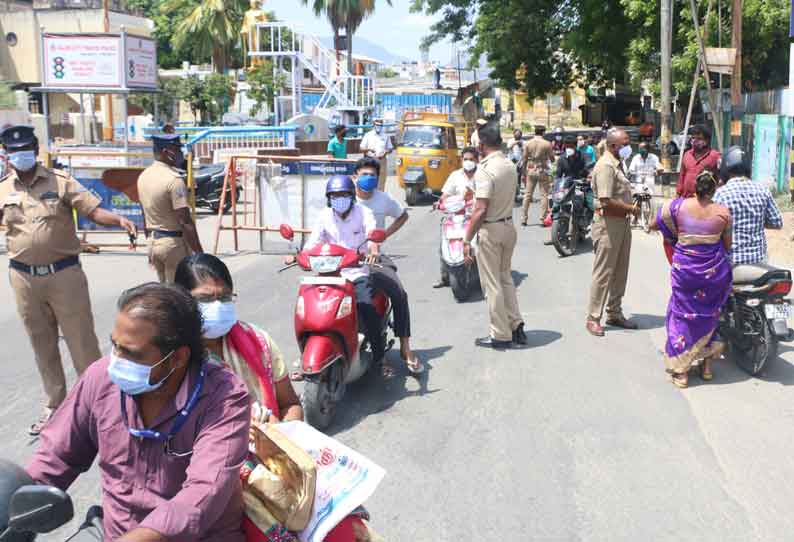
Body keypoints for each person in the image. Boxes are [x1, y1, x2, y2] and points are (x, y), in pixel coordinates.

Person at [26, 283, 251, 541]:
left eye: (131, 353)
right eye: (115, 346)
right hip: (114, 532)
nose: (117, 360)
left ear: (177, 358)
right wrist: (17, 503)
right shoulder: (100, 378)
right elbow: (56, 456)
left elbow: (202, 494)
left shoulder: (225, 398)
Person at [0, 125, 138, 435]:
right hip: (23, 279)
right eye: (14, 151)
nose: (20, 156)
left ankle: (100, 408)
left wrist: (118, 219)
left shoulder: (60, 183)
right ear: (6, 156)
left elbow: (93, 210)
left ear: (35, 150)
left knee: (82, 344)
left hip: (64, 275)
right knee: (42, 345)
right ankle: (55, 407)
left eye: (25, 150)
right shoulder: (3, 188)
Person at [174, 253, 303, 419]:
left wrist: (280, 436)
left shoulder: (259, 341)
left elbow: (290, 404)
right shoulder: (168, 356)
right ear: (182, 299)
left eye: (225, 297)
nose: (218, 306)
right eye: (205, 299)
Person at [288, 175, 385, 363]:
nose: (339, 199)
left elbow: (373, 236)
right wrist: (298, 256)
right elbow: (313, 243)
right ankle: (305, 357)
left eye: (343, 195)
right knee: (306, 310)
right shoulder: (324, 216)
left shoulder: (364, 213)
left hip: (356, 273)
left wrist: (373, 250)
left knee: (366, 307)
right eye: (334, 196)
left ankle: (379, 357)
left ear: (351, 196)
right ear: (329, 198)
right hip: (328, 275)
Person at [650, 171, 732, 388]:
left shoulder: (678, 207)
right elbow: (727, 246)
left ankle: (681, 372)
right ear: (714, 190)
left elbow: (657, 221)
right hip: (713, 273)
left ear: (695, 188)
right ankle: (706, 369)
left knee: (681, 316)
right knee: (710, 315)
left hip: (685, 271)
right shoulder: (723, 213)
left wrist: (674, 237)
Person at [353, 157, 425, 374]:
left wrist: (384, 236)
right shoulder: (345, 199)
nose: (368, 179)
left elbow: (402, 216)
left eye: (373, 176)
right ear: (354, 177)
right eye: (364, 174)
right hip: (342, 260)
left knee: (399, 293)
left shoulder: (383, 199)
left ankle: (405, 347)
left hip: (373, 258)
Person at [464, 123, 526, 349]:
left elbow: (480, 208)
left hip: (490, 229)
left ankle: (500, 334)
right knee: (505, 278)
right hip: (508, 226)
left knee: (492, 285)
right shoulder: (509, 164)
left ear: (481, 145)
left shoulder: (485, 170)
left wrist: (466, 238)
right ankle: (516, 324)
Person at [586, 128, 640, 337]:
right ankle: (593, 317)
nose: (628, 147)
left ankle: (614, 312)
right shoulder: (606, 166)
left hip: (621, 223)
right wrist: (631, 209)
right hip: (608, 224)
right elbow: (606, 201)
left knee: (620, 271)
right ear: (613, 145)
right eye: (625, 143)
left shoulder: (618, 164)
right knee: (603, 273)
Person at [137, 133, 203, 283]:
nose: (181, 154)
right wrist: (200, 254)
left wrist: (150, 246)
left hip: (154, 243)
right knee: (178, 295)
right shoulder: (174, 180)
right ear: (168, 153)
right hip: (173, 246)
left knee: (165, 293)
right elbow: (184, 221)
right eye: (178, 150)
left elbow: (144, 214)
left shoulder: (144, 176)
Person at [714, 146, 783, 280]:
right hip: (760, 263)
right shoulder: (763, 190)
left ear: (725, 169)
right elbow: (777, 222)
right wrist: (757, 218)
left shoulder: (721, 194)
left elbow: (711, 226)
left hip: (731, 263)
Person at [521, 124, 554, 226]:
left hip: (530, 169)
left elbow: (524, 159)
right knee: (544, 195)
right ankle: (542, 219)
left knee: (527, 195)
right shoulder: (547, 144)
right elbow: (552, 159)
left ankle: (524, 218)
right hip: (542, 169)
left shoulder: (528, 143)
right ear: (543, 132)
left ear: (535, 132)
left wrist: (523, 173)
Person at [677, 124, 721, 198]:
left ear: (707, 140)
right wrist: (678, 193)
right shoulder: (687, 155)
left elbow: (720, 178)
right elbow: (682, 175)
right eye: (693, 138)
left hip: (705, 201)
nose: (695, 140)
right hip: (686, 199)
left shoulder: (715, 156)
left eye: (699, 138)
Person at [359, 119, 393, 191]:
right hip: (370, 160)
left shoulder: (386, 136)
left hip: (382, 161)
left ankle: (380, 195)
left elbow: (390, 148)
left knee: (381, 181)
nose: (379, 127)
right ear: (373, 125)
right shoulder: (368, 135)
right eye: (377, 125)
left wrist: (385, 152)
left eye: (380, 125)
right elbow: (361, 148)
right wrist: (369, 150)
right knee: (369, 179)